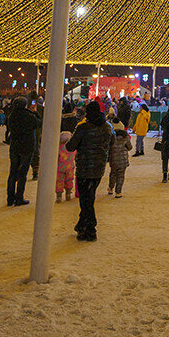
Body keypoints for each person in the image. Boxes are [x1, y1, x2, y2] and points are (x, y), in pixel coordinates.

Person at [65, 101, 113, 241]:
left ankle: (90, 229)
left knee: (86, 200)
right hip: (99, 168)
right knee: (89, 197)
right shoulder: (107, 127)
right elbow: (113, 141)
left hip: (84, 168)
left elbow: (70, 147)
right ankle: (82, 226)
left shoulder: (83, 128)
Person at [6, 97, 38, 206]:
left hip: (15, 146)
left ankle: (10, 198)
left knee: (12, 172)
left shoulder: (12, 116)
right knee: (23, 173)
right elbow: (38, 123)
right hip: (27, 146)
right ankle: (19, 197)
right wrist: (35, 112)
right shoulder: (29, 116)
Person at [56, 106, 77, 202]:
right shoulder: (74, 119)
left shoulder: (59, 148)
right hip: (70, 165)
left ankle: (59, 196)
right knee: (69, 179)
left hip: (60, 166)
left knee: (59, 180)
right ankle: (68, 193)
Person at [107, 121, 132, 197]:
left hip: (113, 159)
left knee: (113, 174)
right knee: (121, 176)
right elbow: (130, 147)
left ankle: (110, 188)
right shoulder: (125, 137)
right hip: (123, 160)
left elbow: (108, 148)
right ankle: (118, 192)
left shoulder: (111, 138)